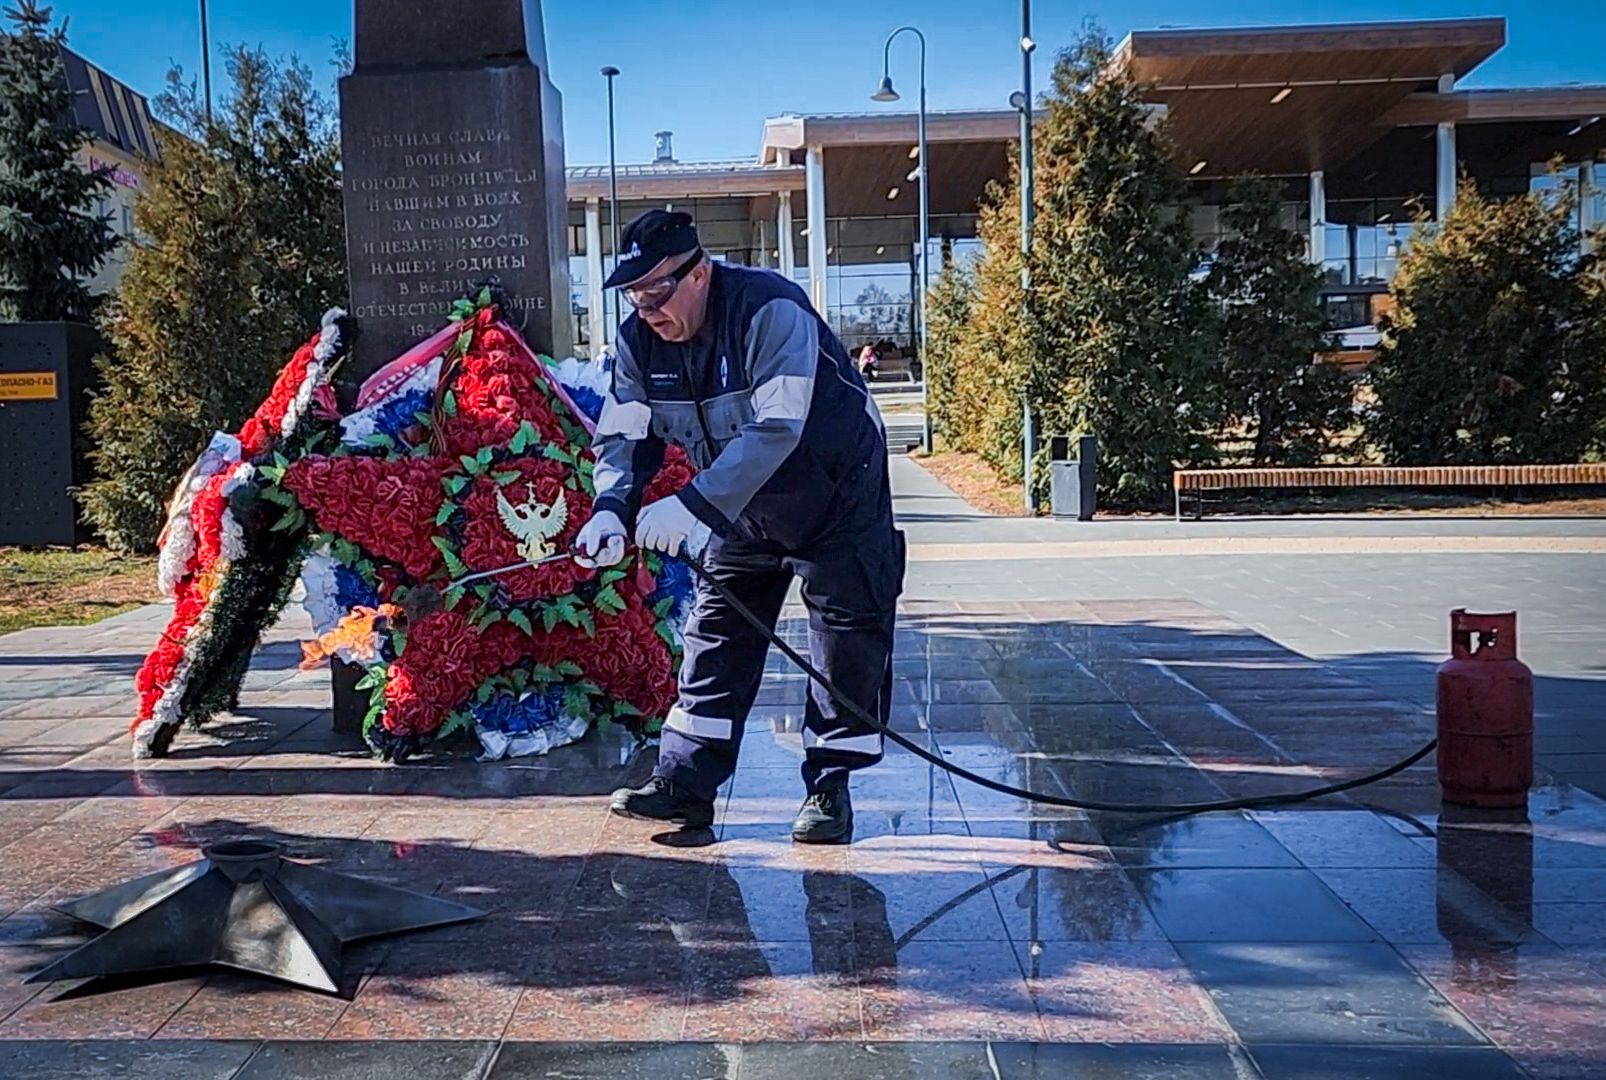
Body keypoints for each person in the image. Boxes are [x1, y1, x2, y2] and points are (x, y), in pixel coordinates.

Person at [573, 210, 905, 844]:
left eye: (657, 291)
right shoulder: (639, 343)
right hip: (741, 504)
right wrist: (611, 509)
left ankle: (829, 786)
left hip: (836, 492)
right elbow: (622, 436)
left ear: (698, 274)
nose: (645, 308)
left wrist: (692, 505)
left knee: (846, 638)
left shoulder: (769, 310)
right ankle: (685, 784)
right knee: (717, 631)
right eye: (634, 294)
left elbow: (777, 428)